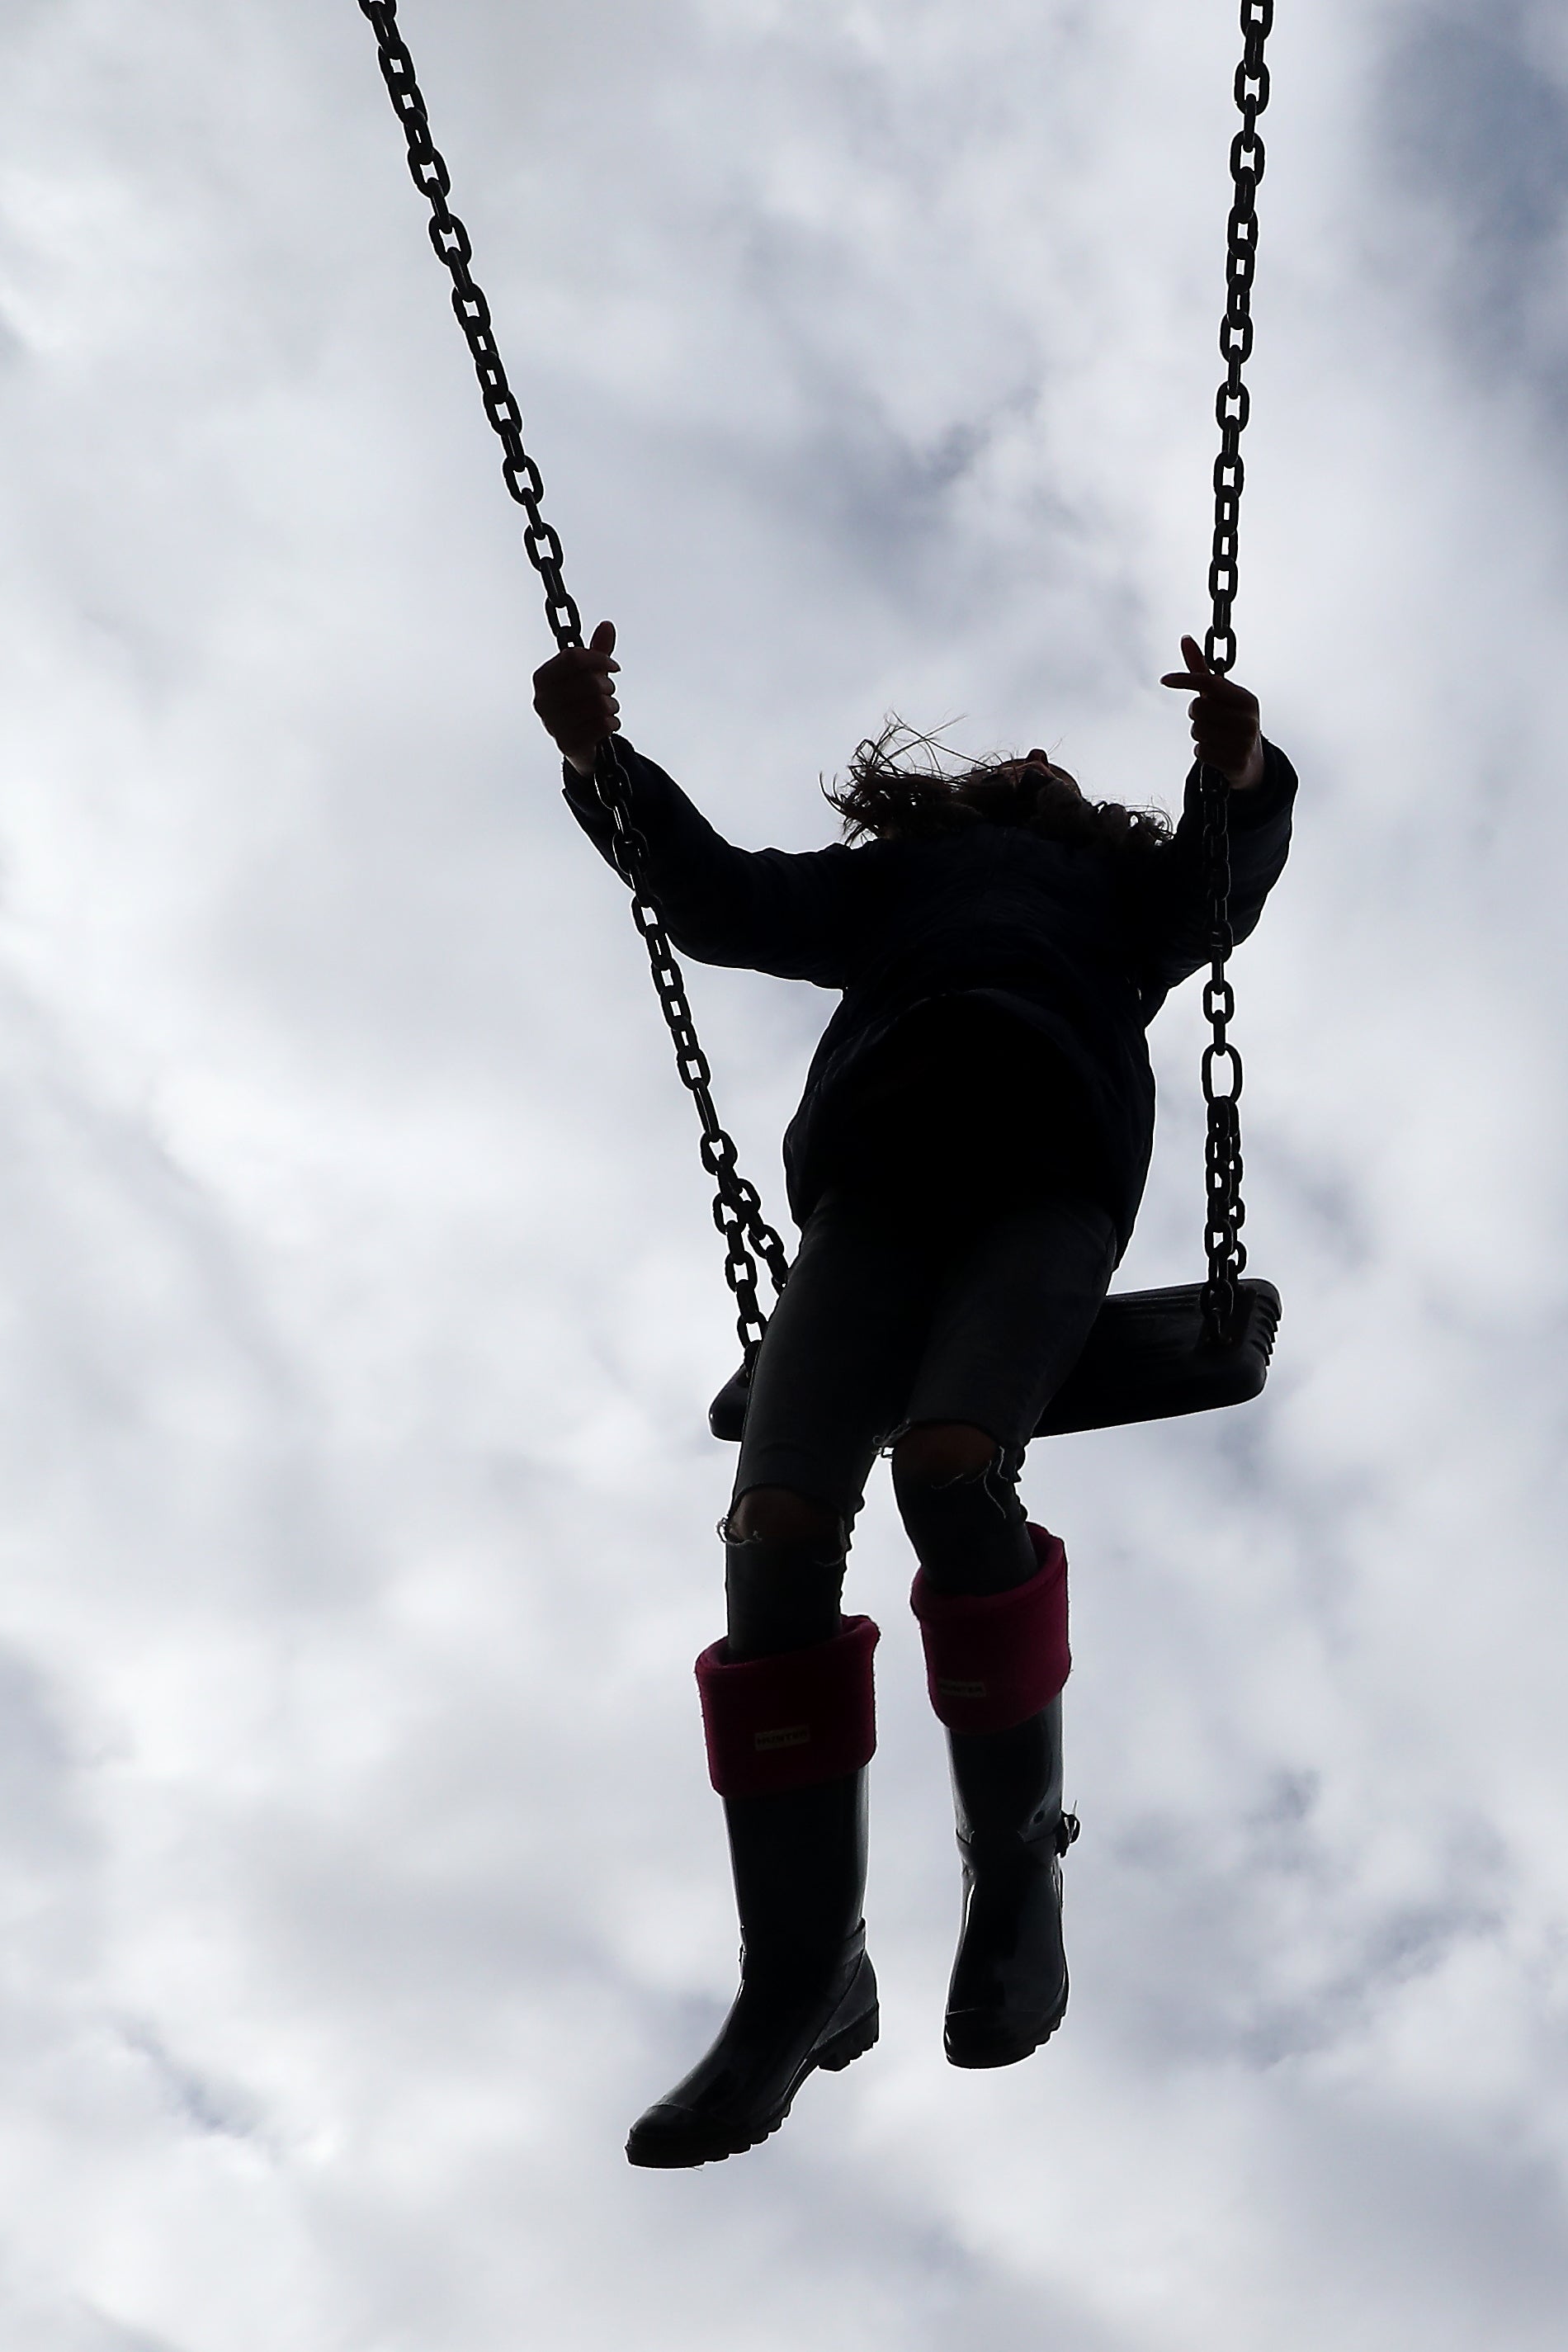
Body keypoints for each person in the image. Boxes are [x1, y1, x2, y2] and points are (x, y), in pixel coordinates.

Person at [530, 621, 1295, 2161]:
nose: (1026, 762)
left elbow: (1224, 886)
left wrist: (1235, 772)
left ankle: (1015, 1872)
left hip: (1046, 1178)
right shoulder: (883, 890)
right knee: (776, 1524)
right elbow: (721, 895)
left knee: (951, 1466)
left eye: (1053, 766)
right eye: (1005, 763)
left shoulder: (1126, 903)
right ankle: (801, 1975)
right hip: (874, 1190)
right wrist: (599, 760)